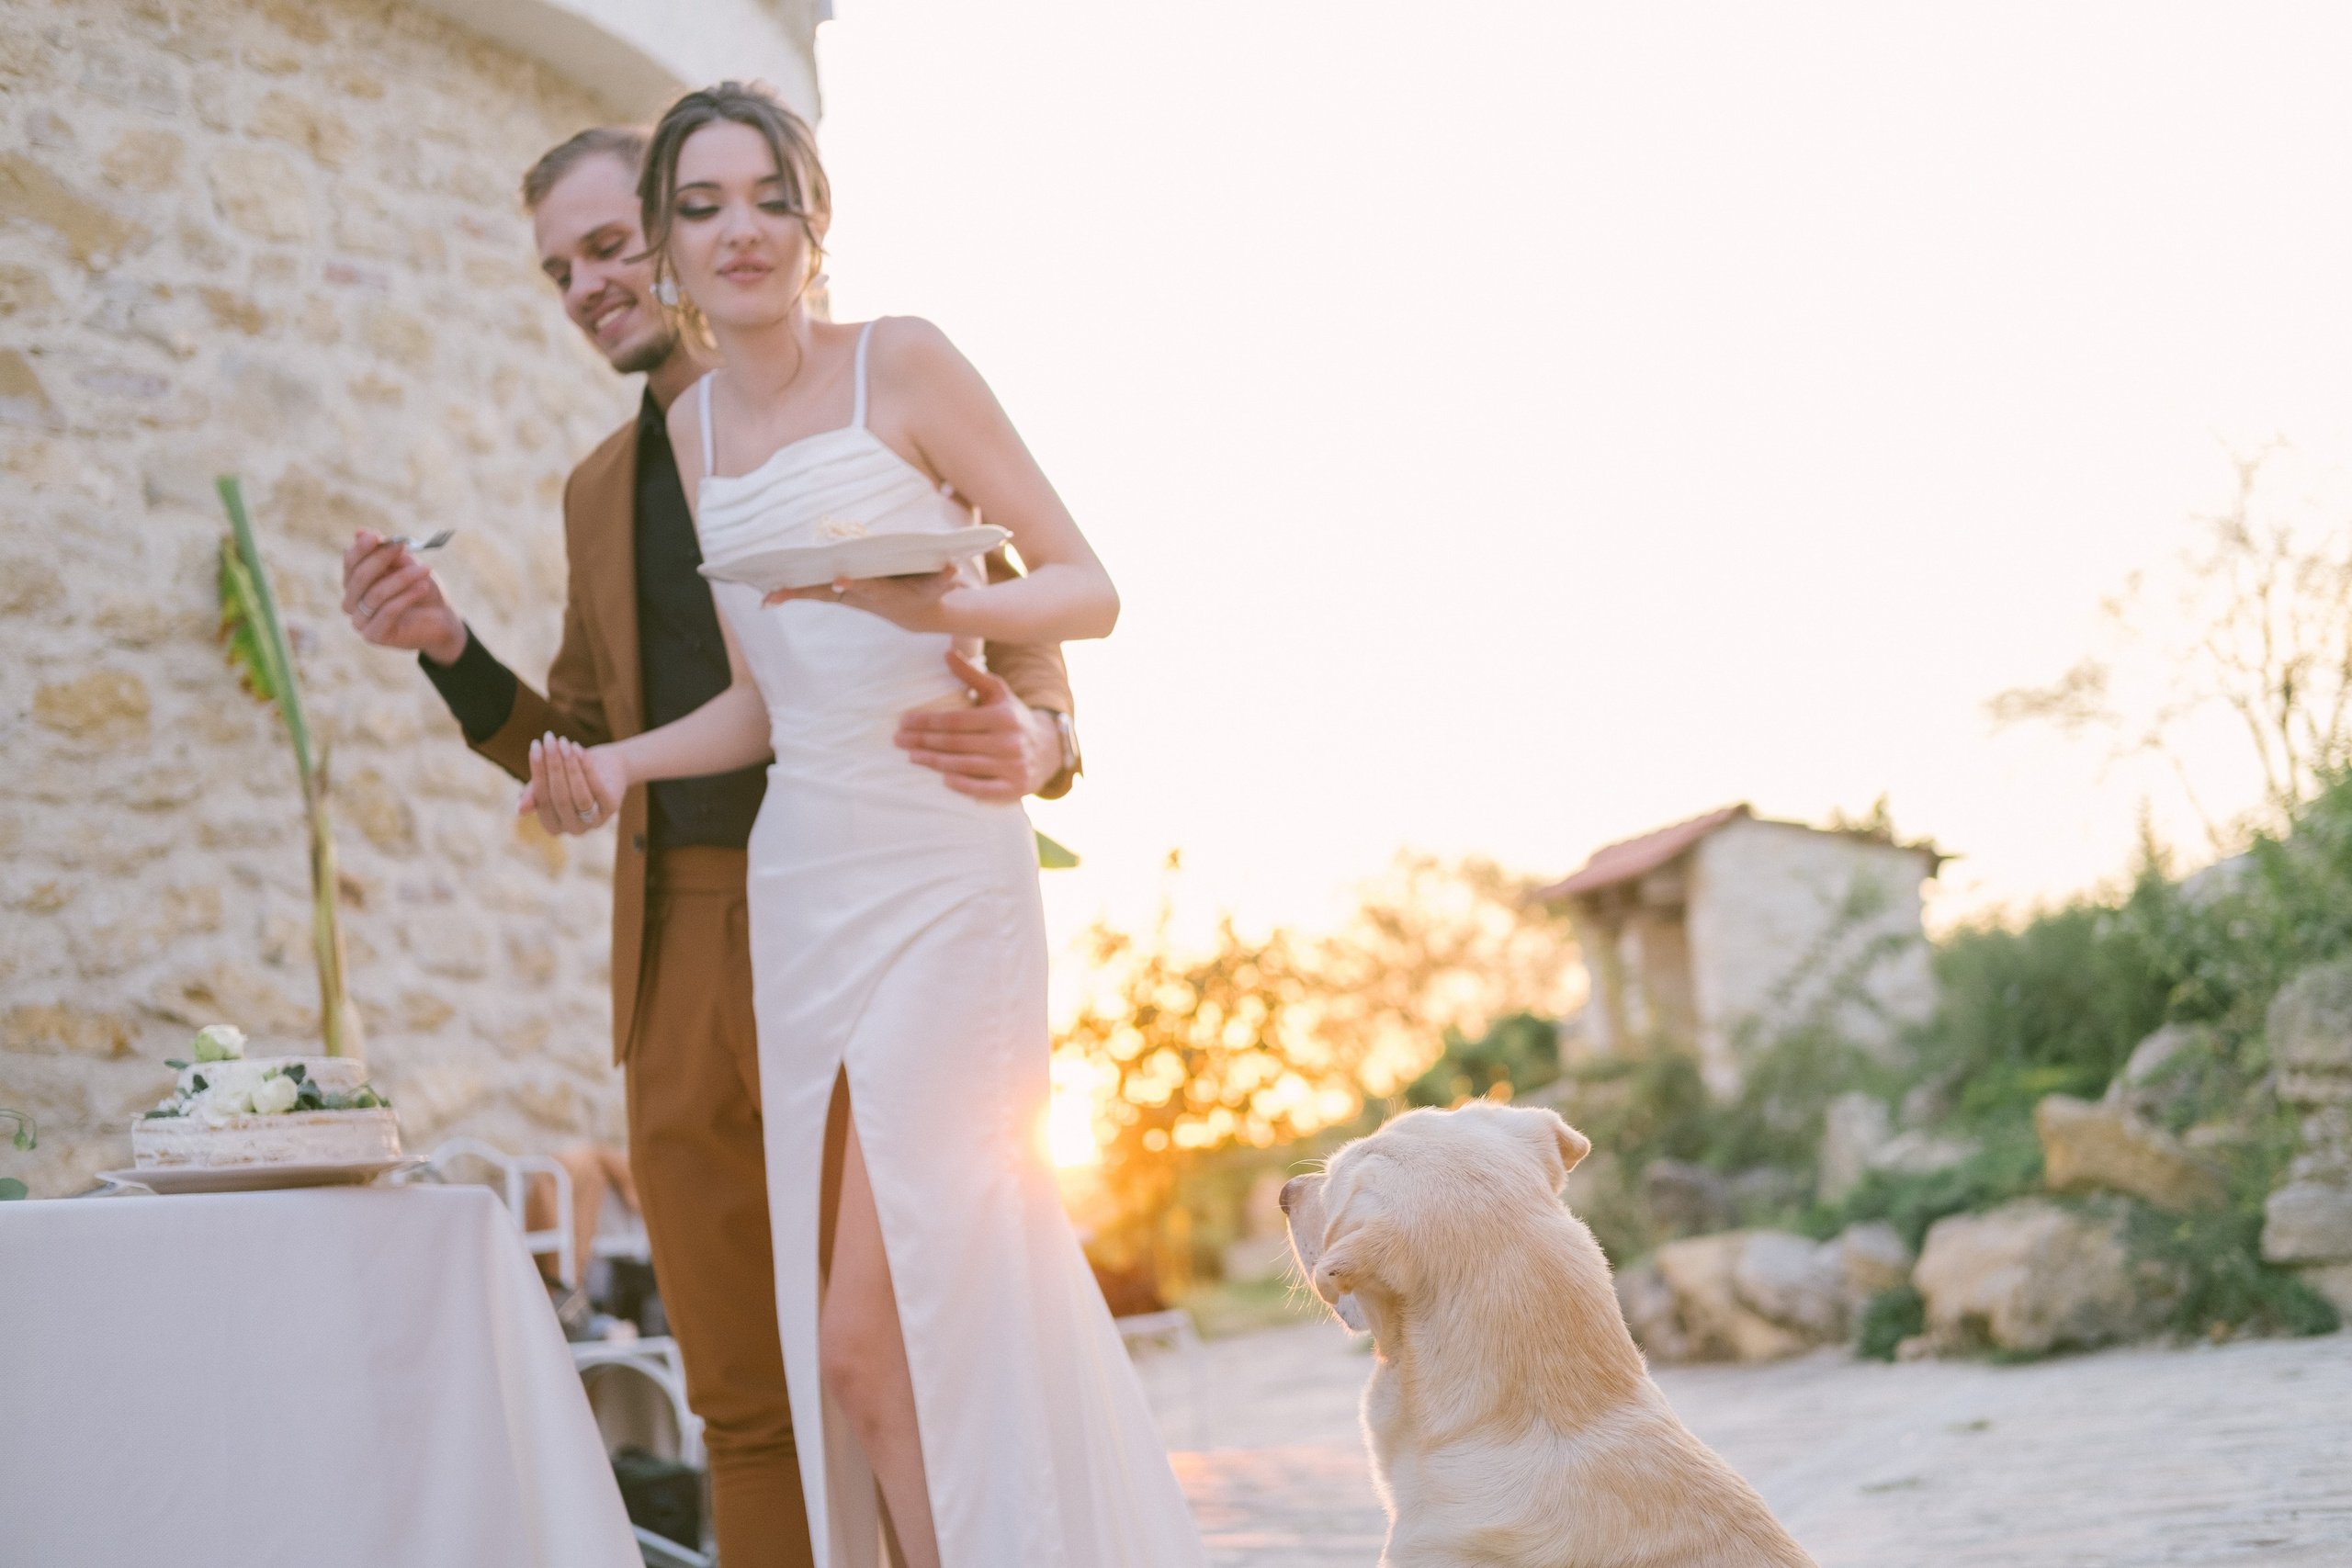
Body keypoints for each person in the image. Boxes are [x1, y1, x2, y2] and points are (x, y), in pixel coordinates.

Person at [337, 125, 1083, 1568]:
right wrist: (447, 649)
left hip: (870, 907)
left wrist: (1046, 736)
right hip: (679, 944)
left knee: (896, 1348)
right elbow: (578, 737)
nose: (588, 287)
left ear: (678, 235)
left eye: (608, 247)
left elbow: (1003, 592)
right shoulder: (600, 489)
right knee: (741, 1391)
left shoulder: (863, 388)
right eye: (560, 271)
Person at [519, 83, 1205, 1568]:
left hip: (943, 868)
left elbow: (1086, 586)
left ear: (815, 218)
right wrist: (615, 767)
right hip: (804, 886)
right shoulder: (694, 428)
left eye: (768, 197)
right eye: (702, 207)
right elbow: (760, 703)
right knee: (889, 1345)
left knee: (868, 1341)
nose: (740, 231)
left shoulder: (905, 361)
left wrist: (937, 610)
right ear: (666, 244)